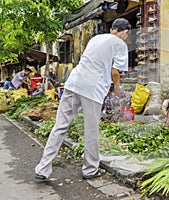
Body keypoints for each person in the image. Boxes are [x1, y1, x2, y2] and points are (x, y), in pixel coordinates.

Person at [35, 18, 131, 180]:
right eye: (126, 34)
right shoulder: (120, 44)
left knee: (60, 126)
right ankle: (90, 170)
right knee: (91, 130)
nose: (126, 37)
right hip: (92, 89)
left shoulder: (96, 38)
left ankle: (42, 169)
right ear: (123, 31)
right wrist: (118, 88)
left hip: (73, 83)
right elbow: (115, 72)